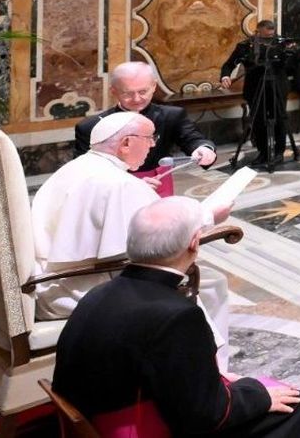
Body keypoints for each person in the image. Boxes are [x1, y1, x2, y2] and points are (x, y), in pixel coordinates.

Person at [51, 197, 300, 437]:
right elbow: (206, 416)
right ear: (194, 243)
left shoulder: (100, 293)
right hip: (141, 428)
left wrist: (215, 379)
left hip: (98, 416)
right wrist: (258, 394)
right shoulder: (177, 316)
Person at [32, 113, 233, 345]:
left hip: (52, 283)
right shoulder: (118, 183)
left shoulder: (79, 167)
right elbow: (156, 241)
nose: (153, 145)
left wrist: (136, 185)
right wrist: (209, 216)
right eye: (149, 138)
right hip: (80, 289)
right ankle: (211, 369)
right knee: (205, 286)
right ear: (126, 143)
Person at [74, 61, 217, 175]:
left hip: (158, 182)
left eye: (143, 91)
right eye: (128, 93)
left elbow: (192, 139)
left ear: (154, 86)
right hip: (112, 189)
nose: (137, 99)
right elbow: (84, 170)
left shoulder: (171, 116)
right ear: (114, 91)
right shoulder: (91, 126)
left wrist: (204, 150)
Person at [220, 19, 294, 171]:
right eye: (266, 36)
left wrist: (290, 53)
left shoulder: (282, 44)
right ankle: (263, 153)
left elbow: (291, 66)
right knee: (258, 121)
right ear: (258, 32)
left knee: (279, 119)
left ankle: (279, 152)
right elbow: (228, 64)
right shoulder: (245, 46)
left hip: (277, 87)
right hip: (255, 88)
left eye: (272, 35)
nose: (270, 39)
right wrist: (225, 76)